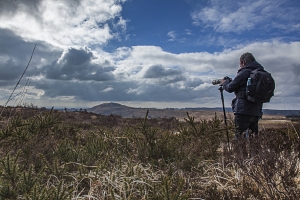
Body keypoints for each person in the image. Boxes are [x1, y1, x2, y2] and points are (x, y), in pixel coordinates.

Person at [220, 52, 263, 138]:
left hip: (243, 110)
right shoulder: (260, 73)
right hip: (256, 110)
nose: (240, 66)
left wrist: (225, 83)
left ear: (243, 62)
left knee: (239, 137)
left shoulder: (245, 72)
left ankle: (239, 151)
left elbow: (230, 88)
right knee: (253, 138)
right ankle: (255, 151)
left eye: (240, 63)